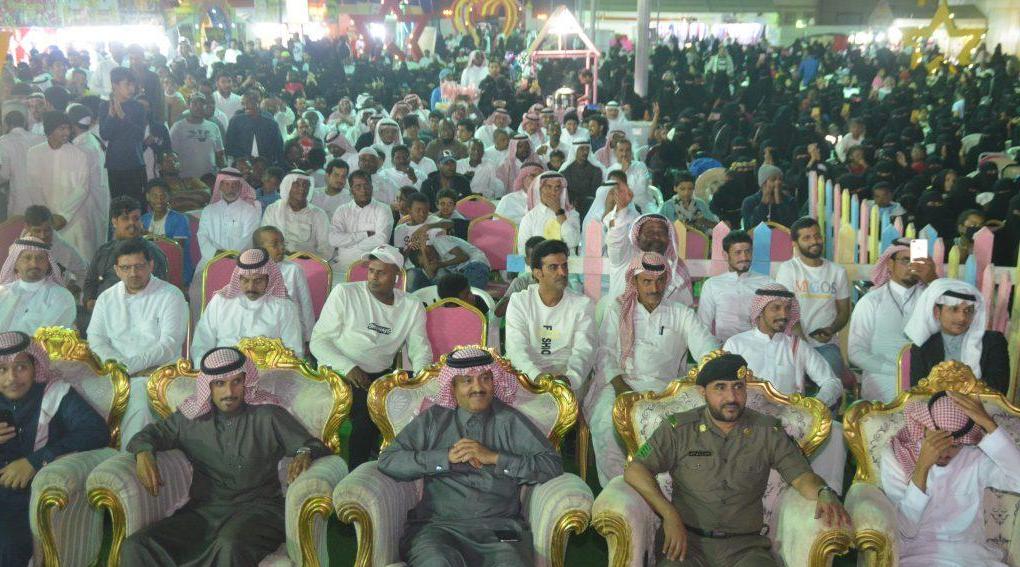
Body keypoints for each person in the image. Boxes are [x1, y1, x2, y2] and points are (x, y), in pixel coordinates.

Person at [624, 353, 850, 566]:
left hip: (746, 548)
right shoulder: (678, 428)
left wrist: (823, 492)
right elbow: (635, 469)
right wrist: (669, 514)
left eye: (738, 387)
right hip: (686, 543)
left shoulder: (768, 431)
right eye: (720, 388)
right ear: (703, 392)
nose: (731, 397)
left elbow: (801, 476)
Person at [121, 347, 329, 567]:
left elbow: (311, 444)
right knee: (137, 545)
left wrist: (304, 453)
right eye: (220, 383)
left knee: (229, 545)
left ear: (245, 380)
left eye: (236, 382)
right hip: (204, 512)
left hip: (260, 511)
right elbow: (150, 434)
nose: (229, 391)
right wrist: (143, 452)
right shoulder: (190, 418)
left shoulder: (267, 415)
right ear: (208, 386)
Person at [377, 346, 563, 567]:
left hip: (500, 528)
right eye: (467, 381)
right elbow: (389, 460)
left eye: (485, 378)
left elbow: (551, 464)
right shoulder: (433, 420)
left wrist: (495, 458)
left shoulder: (510, 421)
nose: (478, 388)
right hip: (438, 529)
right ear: (452, 387)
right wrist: (444, 458)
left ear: (494, 382)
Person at [590, 252, 718, 486]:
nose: (654, 288)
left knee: (671, 426)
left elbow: (706, 346)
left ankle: (660, 489)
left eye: (659, 281)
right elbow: (605, 352)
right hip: (620, 383)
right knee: (605, 424)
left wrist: (713, 365)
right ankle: (617, 489)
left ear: (666, 280)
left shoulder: (680, 313)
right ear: (635, 281)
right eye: (647, 281)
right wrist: (621, 388)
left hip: (665, 389)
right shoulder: (618, 310)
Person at [310, 245, 431, 466]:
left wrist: (422, 382)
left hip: (379, 376)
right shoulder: (345, 293)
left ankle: (383, 461)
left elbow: (419, 348)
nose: (373, 277)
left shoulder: (411, 306)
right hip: (338, 371)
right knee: (367, 415)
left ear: (397, 276)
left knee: (401, 409)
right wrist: (349, 368)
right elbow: (318, 342)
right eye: (371, 271)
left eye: (381, 272)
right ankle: (355, 470)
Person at [0, 331, 110, 567]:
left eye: (21, 367)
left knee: (6, 542)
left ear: (35, 366)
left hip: (29, 494)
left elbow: (95, 431)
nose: (11, 378)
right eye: (2, 370)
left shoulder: (56, 394)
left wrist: (35, 461)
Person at [723, 283, 846, 492]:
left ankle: (826, 494)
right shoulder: (736, 345)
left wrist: (815, 405)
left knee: (835, 429)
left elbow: (832, 382)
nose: (784, 314)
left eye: (788, 308)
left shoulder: (796, 346)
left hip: (791, 420)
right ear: (760, 311)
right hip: (748, 420)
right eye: (776, 308)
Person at [881, 391, 1020, 567]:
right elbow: (905, 530)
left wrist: (989, 424)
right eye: (938, 442)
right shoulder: (898, 455)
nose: (945, 452)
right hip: (917, 555)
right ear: (923, 428)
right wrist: (921, 468)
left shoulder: (974, 457)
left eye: (955, 446)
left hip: (971, 555)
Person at [87, 238, 188, 443]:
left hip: (157, 373)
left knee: (138, 404)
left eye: (139, 266)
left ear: (151, 265)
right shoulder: (106, 298)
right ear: (116, 270)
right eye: (126, 268)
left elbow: (169, 344)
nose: (133, 273)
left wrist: (131, 367)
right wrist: (122, 367)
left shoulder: (170, 295)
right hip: (114, 372)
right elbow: (96, 339)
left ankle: (130, 458)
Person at [848, 244, 937, 403]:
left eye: (917, 261)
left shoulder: (932, 301)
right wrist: (898, 370)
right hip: (882, 377)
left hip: (924, 380)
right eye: (906, 260)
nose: (912, 266)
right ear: (890, 263)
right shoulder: (871, 302)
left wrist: (933, 280)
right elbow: (856, 352)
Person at [505, 239, 596, 393]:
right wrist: (537, 377)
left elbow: (584, 352)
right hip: (527, 375)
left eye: (564, 266)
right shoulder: (520, 301)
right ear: (538, 273)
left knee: (559, 404)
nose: (562, 273)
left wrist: (569, 378)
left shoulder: (582, 304)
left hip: (567, 377)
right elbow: (516, 348)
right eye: (553, 267)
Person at [191, 247, 304, 361]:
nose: (251, 287)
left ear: (269, 278)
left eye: (258, 280)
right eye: (245, 280)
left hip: (268, 369)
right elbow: (202, 343)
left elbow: (294, 351)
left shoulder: (284, 307)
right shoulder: (220, 301)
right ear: (238, 278)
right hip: (223, 368)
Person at [775, 217, 851, 377]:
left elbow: (844, 312)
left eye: (817, 236)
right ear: (795, 243)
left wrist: (831, 329)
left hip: (826, 346)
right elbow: (785, 311)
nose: (814, 241)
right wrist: (806, 349)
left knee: (830, 376)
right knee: (786, 377)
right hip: (793, 343)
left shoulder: (837, 272)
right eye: (807, 238)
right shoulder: (789, 269)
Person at [904, 279, 1009, 392]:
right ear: (937, 312)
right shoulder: (923, 346)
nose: (962, 318)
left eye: (968, 311)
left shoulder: (993, 341)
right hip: (936, 403)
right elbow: (919, 391)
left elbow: (999, 388)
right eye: (954, 309)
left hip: (981, 403)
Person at [605, 185, 694, 305]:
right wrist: (622, 211)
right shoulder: (623, 258)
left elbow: (685, 308)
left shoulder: (677, 271)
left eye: (661, 233)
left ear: (669, 239)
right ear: (637, 236)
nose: (656, 237)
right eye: (649, 233)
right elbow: (616, 238)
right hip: (620, 316)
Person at [27, 111, 97, 261]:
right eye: (62, 128)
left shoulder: (78, 154)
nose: (67, 132)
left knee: (78, 261)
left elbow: (82, 188)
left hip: (73, 218)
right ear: (50, 129)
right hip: (46, 220)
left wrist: (64, 215)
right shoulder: (34, 153)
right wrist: (47, 216)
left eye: (68, 128)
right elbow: (34, 187)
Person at [82, 197, 169, 311]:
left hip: (140, 311)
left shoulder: (152, 252)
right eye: (125, 218)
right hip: (102, 311)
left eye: (136, 218)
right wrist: (90, 300)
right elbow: (90, 281)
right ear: (114, 222)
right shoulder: (104, 251)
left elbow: (159, 290)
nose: (132, 223)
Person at [697, 230, 773, 342]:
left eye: (748, 251)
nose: (744, 257)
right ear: (725, 255)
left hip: (757, 345)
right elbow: (703, 325)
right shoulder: (712, 285)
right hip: (724, 346)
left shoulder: (767, 283)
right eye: (738, 253)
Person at [253, 226, 315, 346]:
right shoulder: (249, 272)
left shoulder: (294, 269)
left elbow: (306, 305)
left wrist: (309, 338)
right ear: (259, 249)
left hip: (289, 332)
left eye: (283, 243)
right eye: (275, 244)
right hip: (258, 333)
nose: (281, 247)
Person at [0, 237, 76, 334]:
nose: (34, 264)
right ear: (15, 263)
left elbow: (48, 338)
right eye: (27, 258)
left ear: (48, 264)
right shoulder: (2, 293)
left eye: (40, 258)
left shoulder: (61, 296)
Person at [328, 170, 394, 277]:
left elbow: (381, 240)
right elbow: (333, 239)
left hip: (372, 269)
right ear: (351, 191)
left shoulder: (383, 209)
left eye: (366, 185)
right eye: (358, 186)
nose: (363, 190)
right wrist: (365, 234)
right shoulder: (342, 210)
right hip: (342, 267)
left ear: (372, 187)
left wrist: (349, 246)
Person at [66, 103, 111, 259]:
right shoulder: (93, 140)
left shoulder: (80, 148)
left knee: (85, 255)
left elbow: (76, 185)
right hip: (97, 204)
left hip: (85, 207)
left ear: (72, 125)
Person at [195, 168, 262, 271]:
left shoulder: (250, 211)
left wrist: (230, 256)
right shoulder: (208, 210)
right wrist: (215, 254)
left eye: (235, 185)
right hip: (210, 261)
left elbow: (249, 238)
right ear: (220, 186)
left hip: (240, 262)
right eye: (227, 184)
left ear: (240, 187)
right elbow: (202, 235)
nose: (231, 189)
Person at [99, 67, 147, 203]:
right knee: (119, 206)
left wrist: (122, 116)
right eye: (127, 84)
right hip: (115, 164)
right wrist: (111, 116)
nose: (132, 89)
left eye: (133, 85)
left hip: (134, 162)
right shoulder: (105, 106)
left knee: (137, 204)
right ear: (115, 85)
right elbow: (105, 135)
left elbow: (139, 135)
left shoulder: (138, 107)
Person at [261, 170, 331, 260]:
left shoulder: (319, 214)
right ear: (287, 186)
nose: (302, 188)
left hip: (308, 263)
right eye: (296, 184)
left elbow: (326, 249)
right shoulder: (272, 210)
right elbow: (264, 241)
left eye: (305, 185)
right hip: (277, 262)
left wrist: (306, 260)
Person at [22, 205, 88, 290]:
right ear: (27, 227)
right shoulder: (19, 245)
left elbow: (84, 273)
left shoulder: (64, 250)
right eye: (37, 231)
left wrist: (73, 290)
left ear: (52, 225)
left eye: (47, 230)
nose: (43, 236)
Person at [141, 179, 194, 284]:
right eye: (154, 196)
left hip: (176, 270)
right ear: (148, 197)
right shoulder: (143, 219)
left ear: (169, 196)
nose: (159, 200)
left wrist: (149, 236)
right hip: (152, 273)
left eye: (163, 196)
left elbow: (176, 247)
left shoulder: (180, 219)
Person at [405, 228, 491, 292]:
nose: (430, 260)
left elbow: (464, 257)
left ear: (428, 248)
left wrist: (441, 264)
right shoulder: (430, 259)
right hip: (461, 274)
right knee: (440, 287)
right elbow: (431, 276)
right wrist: (424, 252)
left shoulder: (439, 241)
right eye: (427, 261)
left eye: (428, 256)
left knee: (468, 300)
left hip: (475, 265)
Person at [516, 172, 581, 253]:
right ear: (539, 189)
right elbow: (523, 251)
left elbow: (573, 242)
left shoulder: (572, 214)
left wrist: (559, 212)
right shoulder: (530, 217)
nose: (553, 192)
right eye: (549, 187)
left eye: (557, 188)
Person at [169, 92, 225, 179]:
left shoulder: (214, 127)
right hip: (187, 180)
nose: (198, 107)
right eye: (195, 103)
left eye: (202, 103)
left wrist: (223, 175)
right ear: (188, 105)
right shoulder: (178, 127)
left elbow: (220, 155)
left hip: (210, 179)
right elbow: (172, 155)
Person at [0, 110, 46, 216]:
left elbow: (5, 174)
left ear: (6, 124)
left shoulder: (3, 141)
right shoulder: (41, 139)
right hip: (43, 194)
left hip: (20, 196)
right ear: (24, 123)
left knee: (20, 224)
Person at [224, 89, 284, 166]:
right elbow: (229, 146)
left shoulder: (271, 124)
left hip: (265, 165)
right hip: (241, 165)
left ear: (258, 102)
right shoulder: (235, 122)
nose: (246, 106)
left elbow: (278, 148)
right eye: (244, 103)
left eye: (250, 102)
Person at [494, 236, 544, 318]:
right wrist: (523, 296)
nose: (538, 263)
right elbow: (498, 312)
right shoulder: (521, 283)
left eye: (543, 258)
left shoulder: (558, 280)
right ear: (527, 261)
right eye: (534, 259)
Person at [741, 164, 798, 229]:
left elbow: (792, 226)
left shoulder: (790, 201)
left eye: (780, 179)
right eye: (773, 180)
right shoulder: (749, 202)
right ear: (763, 183)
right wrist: (763, 203)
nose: (778, 182)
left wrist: (779, 203)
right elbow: (750, 227)